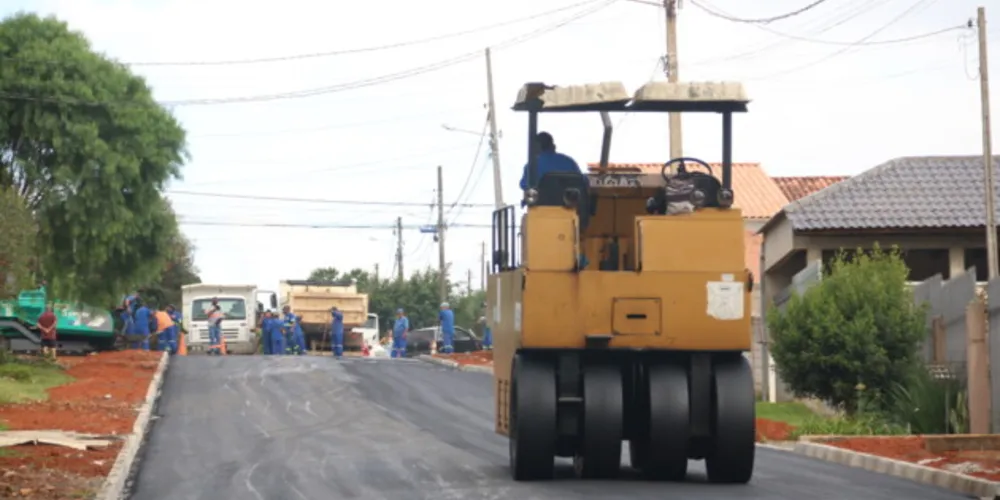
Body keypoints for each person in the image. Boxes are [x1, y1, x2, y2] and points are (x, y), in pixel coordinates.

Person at [518, 132, 582, 191]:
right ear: (553, 146)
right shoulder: (569, 162)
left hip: (540, 202)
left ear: (537, 147)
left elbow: (524, 185)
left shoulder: (531, 165)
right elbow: (582, 181)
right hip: (566, 202)